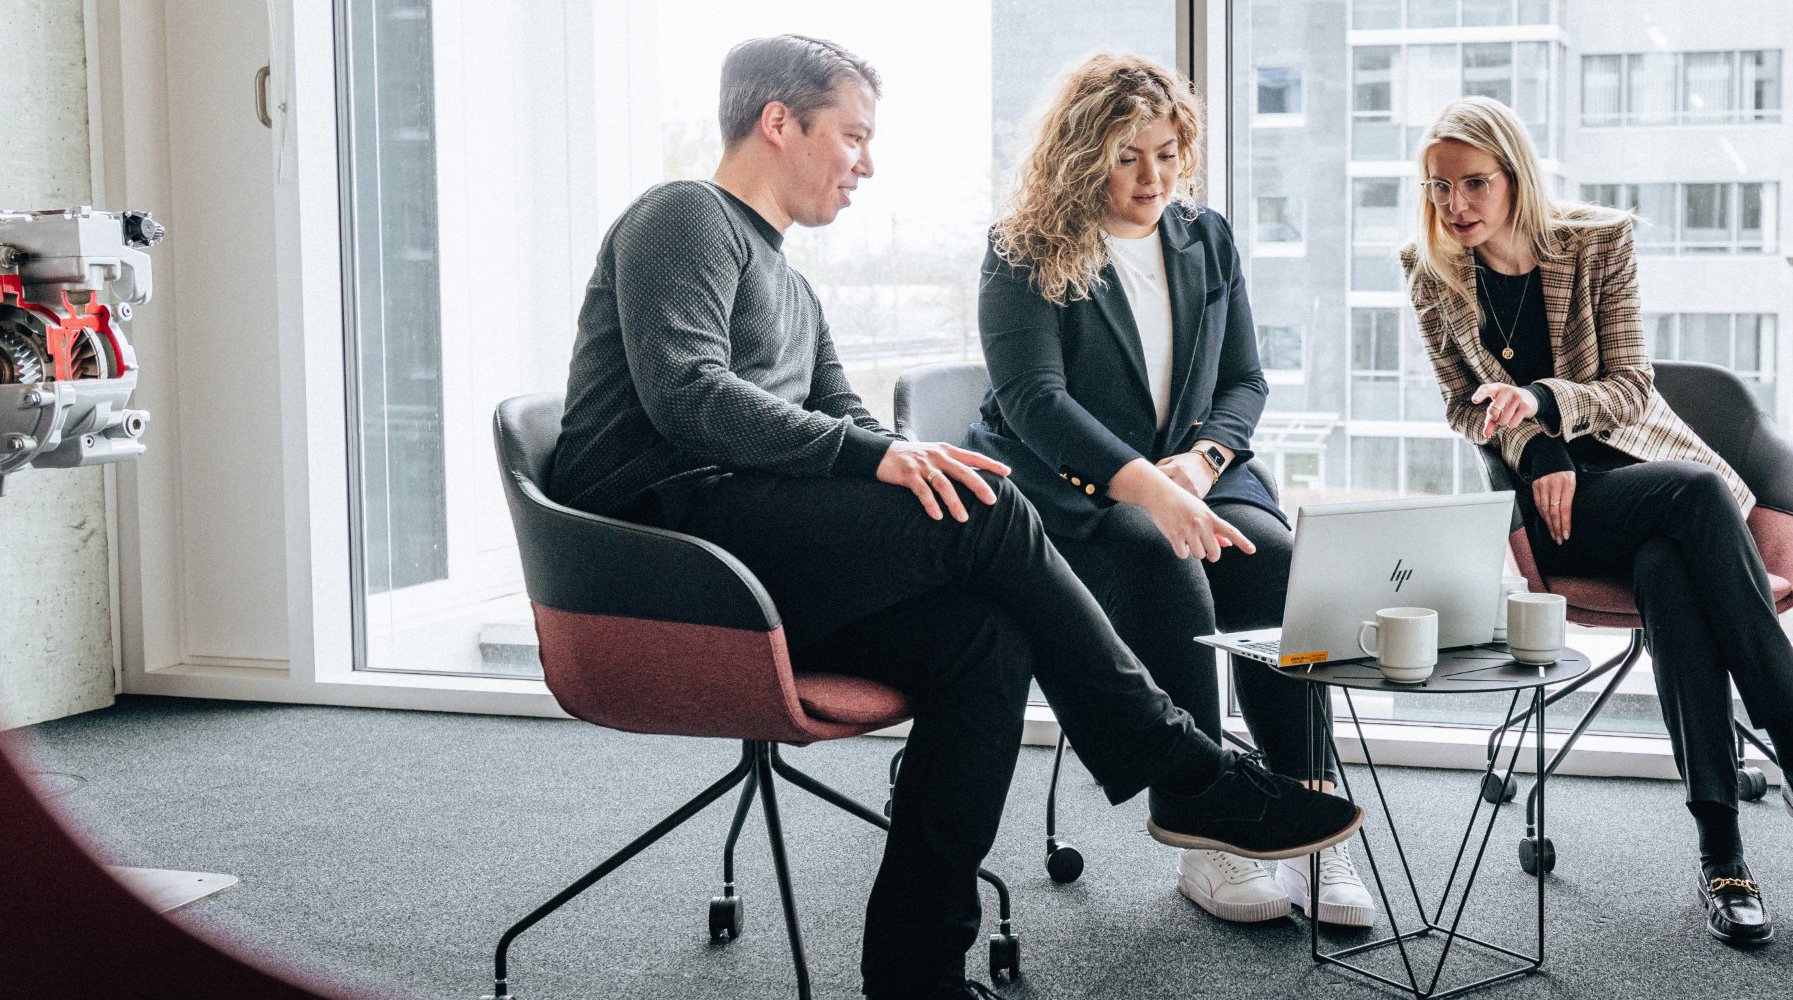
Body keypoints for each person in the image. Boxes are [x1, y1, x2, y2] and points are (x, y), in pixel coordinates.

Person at [544, 35, 1360, 999]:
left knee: (987, 643)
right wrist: (883, 457)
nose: (866, 163)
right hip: (669, 556)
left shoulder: (790, 282)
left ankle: (914, 976)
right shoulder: (683, 218)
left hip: (755, 547)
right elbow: (690, 395)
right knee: (991, 507)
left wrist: (888, 454)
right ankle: (1181, 761)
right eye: (851, 136)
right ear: (778, 122)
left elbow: (840, 410)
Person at [1398, 96, 1793, 949]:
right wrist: (1536, 448)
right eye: (1439, 187)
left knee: (1669, 564)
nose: (1455, 205)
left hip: (1637, 475)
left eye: (1474, 183)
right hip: (1560, 510)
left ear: (1516, 177)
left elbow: (1629, 382)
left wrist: (1547, 400)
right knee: (1697, 496)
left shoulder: (1597, 243)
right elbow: (1458, 407)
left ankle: (1722, 857)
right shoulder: (1430, 272)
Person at [969, 53, 1374, 927]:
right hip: (1069, 491)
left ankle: (1309, 818)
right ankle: (1201, 828)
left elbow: (1246, 383)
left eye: (1165, 152)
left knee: (1277, 566)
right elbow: (1033, 402)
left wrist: (1202, 464)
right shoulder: (1025, 248)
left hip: (1194, 471)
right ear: (1082, 157)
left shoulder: (1204, 235)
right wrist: (1152, 489)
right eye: (1126, 155)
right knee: (1166, 564)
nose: (1152, 176)